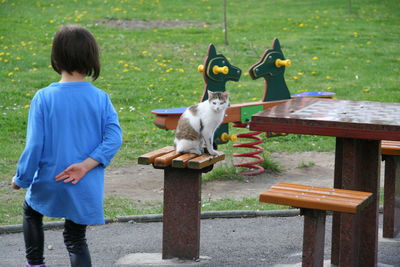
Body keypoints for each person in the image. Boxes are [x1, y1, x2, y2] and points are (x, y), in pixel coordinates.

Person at [11, 25, 123, 267]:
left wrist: (22, 178)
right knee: (75, 238)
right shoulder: (101, 98)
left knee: (31, 212)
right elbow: (114, 138)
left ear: (56, 57)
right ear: (91, 59)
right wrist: (85, 166)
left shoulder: (43, 97)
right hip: (83, 185)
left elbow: (34, 145)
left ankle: (35, 264)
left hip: (50, 182)